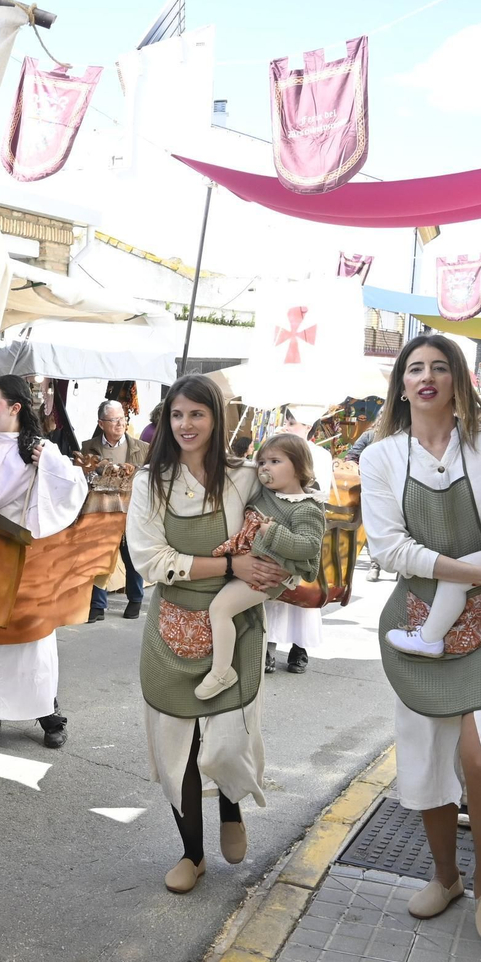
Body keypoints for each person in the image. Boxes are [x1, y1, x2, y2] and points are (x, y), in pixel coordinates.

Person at [359, 334, 481, 948]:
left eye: (440, 367)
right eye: (415, 369)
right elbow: (389, 548)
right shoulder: (381, 457)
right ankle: (445, 876)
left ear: (458, 379)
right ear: (401, 384)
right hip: (420, 622)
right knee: (428, 755)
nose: (427, 377)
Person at [127, 375, 285, 893]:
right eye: (177, 415)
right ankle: (191, 854)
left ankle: (233, 805)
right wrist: (228, 566)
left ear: (216, 418)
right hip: (172, 626)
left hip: (234, 625)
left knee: (222, 744)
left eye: (197, 413)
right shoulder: (149, 481)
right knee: (177, 751)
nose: (186, 424)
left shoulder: (245, 477)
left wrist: (279, 565)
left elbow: (286, 518)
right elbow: (149, 559)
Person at [0, 375, 89, 749]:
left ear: (15, 408)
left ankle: (48, 711)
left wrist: (52, 465)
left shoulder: (40, 448)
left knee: (31, 640)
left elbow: (75, 487)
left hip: (26, 557)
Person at [198, 433, 326, 699]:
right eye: (262, 462)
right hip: (245, 562)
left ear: (299, 466)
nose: (265, 468)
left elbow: (309, 546)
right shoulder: (265, 494)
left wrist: (272, 531)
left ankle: (222, 672)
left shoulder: (306, 508)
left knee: (220, 609)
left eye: (275, 461)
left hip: (267, 575)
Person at [263, 408, 335, 674]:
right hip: (275, 520)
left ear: (307, 426)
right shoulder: (273, 446)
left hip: (304, 520)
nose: (288, 426)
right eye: (287, 421)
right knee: (273, 591)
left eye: (293, 423)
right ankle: (267, 648)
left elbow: (321, 491)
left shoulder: (320, 454)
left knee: (304, 591)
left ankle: (299, 649)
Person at [81, 399, 149, 621]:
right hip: (102, 510)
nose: (120, 424)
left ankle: (135, 600)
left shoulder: (142, 449)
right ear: (101, 423)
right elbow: (82, 478)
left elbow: (150, 479)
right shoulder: (88, 447)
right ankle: (97, 606)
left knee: (131, 557)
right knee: (100, 555)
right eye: (114, 420)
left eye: (122, 419)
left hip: (132, 511)